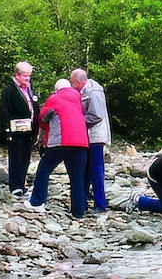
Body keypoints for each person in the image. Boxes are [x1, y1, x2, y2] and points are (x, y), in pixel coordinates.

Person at [29, 79, 89, 217]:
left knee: (44, 170)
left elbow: (42, 117)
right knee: (77, 177)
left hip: (60, 142)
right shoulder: (79, 98)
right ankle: (78, 211)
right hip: (81, 143)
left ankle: (37, 202)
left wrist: (42, 133)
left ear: (57, 89)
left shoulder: (55, 98)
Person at [0, 62, 39, 198]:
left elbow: (34, 107)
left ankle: (22, 185)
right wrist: (7, 131)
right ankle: (15, 186)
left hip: (28, 129)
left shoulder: (30, 89)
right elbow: (4, 110)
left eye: (29, 76)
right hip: (16, 130)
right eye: (25, 76)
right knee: (16, 157)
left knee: (25, 158)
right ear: (17, 75)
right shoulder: (9, 89)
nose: (27, 79)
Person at [71, 69, 111, 212]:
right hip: (88, 136)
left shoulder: (93, 92)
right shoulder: (85, 90)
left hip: (96, 136)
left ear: (80, 81)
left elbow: (96, 115)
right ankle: (86, 197)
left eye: (73, 83)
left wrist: (78, 121)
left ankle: (100, 204)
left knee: (96, 169)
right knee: (88, 168)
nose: (72, 85)